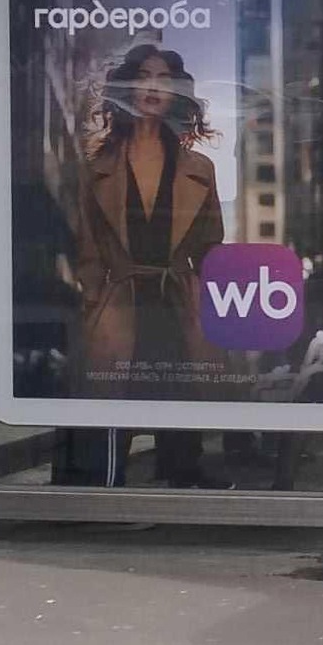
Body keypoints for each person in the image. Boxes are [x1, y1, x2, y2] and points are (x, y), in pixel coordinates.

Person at [74, 43, 226, 486]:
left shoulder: (199, 168)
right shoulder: (97, 166)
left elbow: (211, 247)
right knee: (113, 393)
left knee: (181, 390)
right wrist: (92, 304)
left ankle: (182, 476)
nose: (152, 87)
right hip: (118, 301)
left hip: (179, 298)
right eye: (143, 76)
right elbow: (88, 248)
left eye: (163, 79)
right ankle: (107, 482)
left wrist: (213, 307)